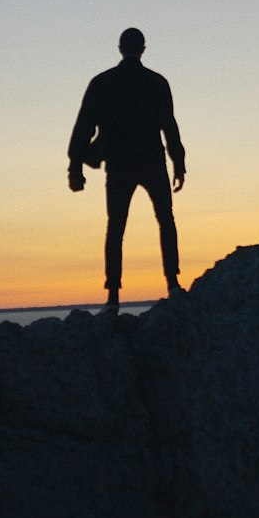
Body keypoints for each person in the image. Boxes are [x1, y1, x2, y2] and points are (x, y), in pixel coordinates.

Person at [68, 27, 185, 312]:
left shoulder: (102, 82)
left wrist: (75, 168)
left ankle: (112, 297)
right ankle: (173, 285)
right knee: (166, 221)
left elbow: (83, 126)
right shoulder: (157, 83)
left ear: (120, 48)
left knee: (116, 228)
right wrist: (178, 162)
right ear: (143, 48)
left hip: (119, 164)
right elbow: (169, 126)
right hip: (152, 161)